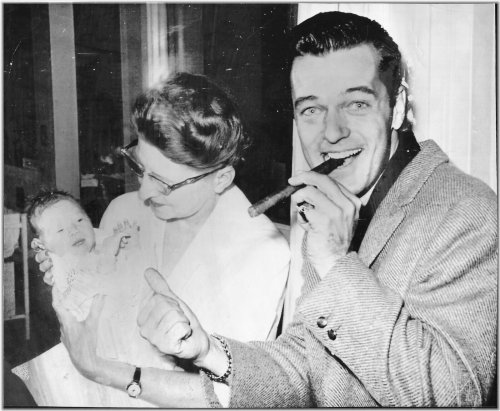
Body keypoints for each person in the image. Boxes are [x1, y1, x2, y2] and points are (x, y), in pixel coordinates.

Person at [52, 11, 496, 407]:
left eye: (356, 104)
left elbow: (453, 394)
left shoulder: (468, 213)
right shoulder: (333, 205)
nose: (332, 132)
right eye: (311, 110)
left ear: (396, 106)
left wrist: (337, 264)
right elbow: (304, 371)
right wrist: (207, 351)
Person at [25, 72, 290, 407]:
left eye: (165, 183)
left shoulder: (262, 255)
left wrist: (98, 369)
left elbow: (226, 394)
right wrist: (63, 268)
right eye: (141, 169)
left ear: (221, 178)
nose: (144, 192)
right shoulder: (125, 211)